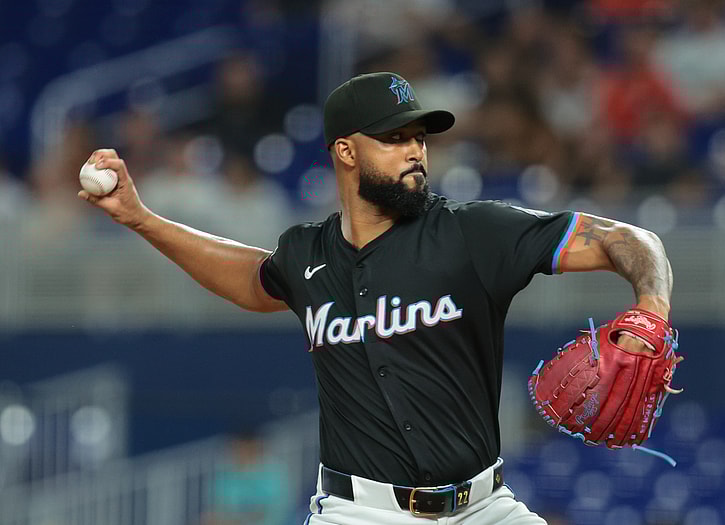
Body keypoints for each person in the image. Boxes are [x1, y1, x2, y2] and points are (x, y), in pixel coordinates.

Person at [78, 72, 673, 525]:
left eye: (419, 137)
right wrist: (140, 217)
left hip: (483, 509)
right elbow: (251, 280)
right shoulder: (307, 256)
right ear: (346, 151)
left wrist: (651, 307)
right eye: (394, 138)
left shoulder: (472, 233)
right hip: (360, 513)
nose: (415, 150)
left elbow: (627, 238)